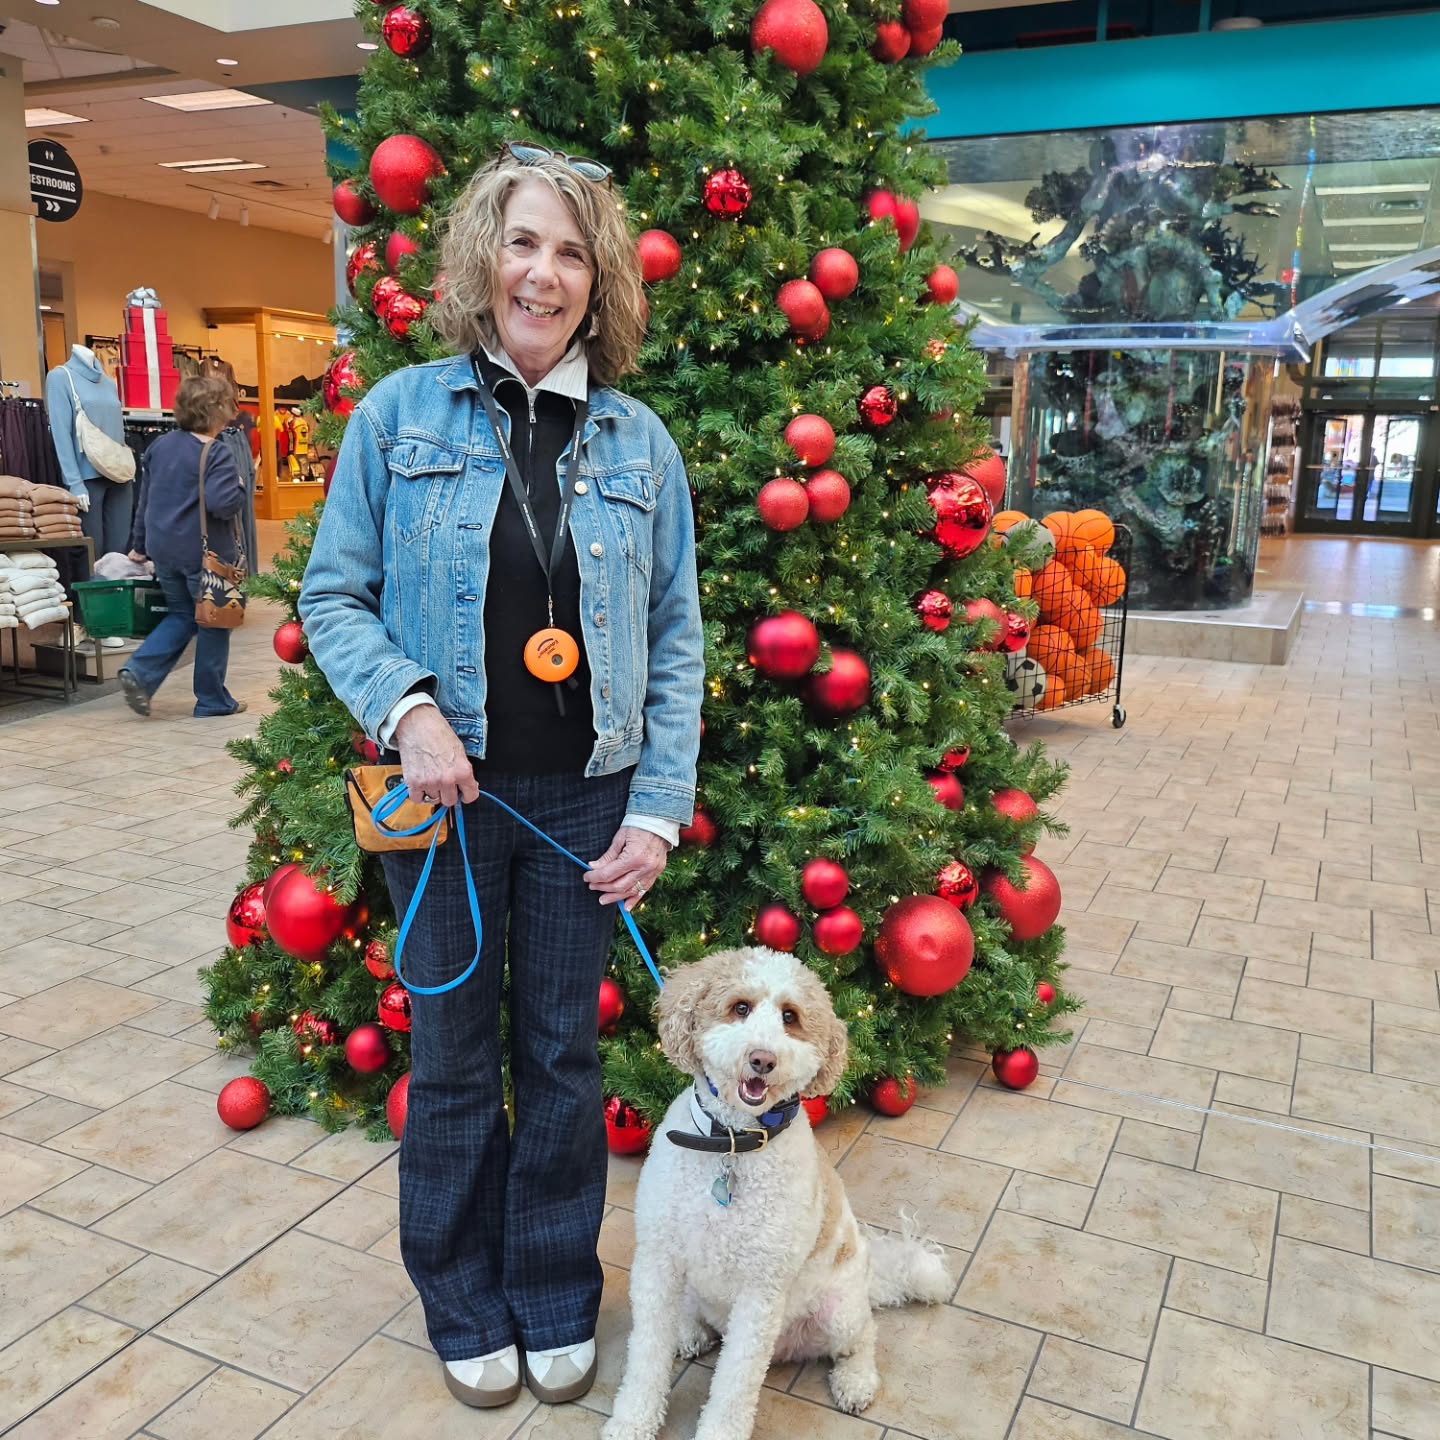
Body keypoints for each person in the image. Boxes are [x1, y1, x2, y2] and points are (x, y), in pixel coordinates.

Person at [299, 144, 703, 1411]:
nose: (545, 272)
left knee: (566, 1062)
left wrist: (656, 806)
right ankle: (463, 1296)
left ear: (600, 282)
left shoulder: (641, 442)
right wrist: (408, 708)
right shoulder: (398, 417)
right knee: (460, 1060)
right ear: (485, 257)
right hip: (443, 799)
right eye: (525, 242)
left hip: (590, 798)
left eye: (573, 251)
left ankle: (550, 1291)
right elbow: (332, 597)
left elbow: (679, 632)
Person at [119, 375, 248, 718]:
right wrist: (239, 485)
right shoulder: (215, 452)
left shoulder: (160, 447)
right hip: (206, 555)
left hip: (164, 550)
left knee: (181, 615)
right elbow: (223, 505)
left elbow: (144, 500)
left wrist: (139, 545)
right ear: (216, 409)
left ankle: (141, 672)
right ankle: (212, 700)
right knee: (214, 621)